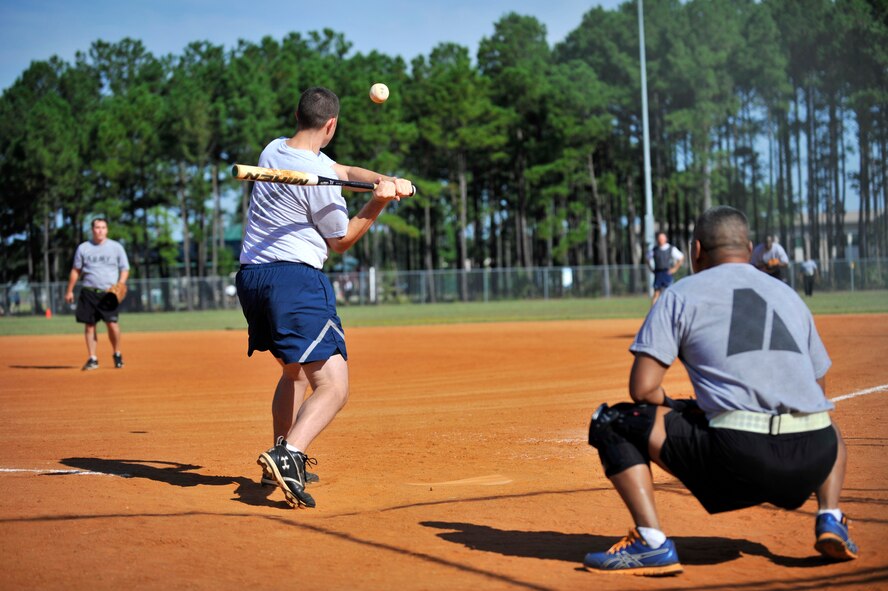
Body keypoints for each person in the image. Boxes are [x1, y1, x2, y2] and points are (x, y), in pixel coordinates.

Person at [583, 206, 857, 576]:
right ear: (749, 248)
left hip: (740, 459)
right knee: (823, 417)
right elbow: (816, 388)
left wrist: (680, 405)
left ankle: (650, 542)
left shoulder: (681, 294)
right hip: (813, 458)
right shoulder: (789, 295)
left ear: (696, 251)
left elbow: (643, 389)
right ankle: (831, 516)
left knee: (611, 421)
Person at [236, 86, 414, 509]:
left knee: (293, 372)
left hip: (253, 279)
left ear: (299, 115)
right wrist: (377, 204)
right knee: (334, 385)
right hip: (294, 281)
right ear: (331, 125)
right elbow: (341, 240)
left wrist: (380, 179)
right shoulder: (320, 187)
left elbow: (343, 170)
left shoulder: (274, 149)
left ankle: (280, 453)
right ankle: (289, 453)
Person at [64, 218, 130, 371]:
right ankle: (92, 358)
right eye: (97, 227)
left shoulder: (116, 247)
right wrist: (69, 290)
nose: (100, 230)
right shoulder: (84, 248)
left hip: (109, 294)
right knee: (89, 326)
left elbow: (125, 268)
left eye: (103, 227)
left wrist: (120, 284)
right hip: (89, 292)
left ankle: (117, 353)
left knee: (112, 325)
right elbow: (76, 270)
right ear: (92, 230)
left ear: (107, 230)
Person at [647, 232, 684, 305]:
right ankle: (653, 311)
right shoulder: (654, 249)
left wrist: (675, 268)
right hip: (658, 273)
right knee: (656, 293)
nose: (660, 240)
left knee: (669, 292)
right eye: (659, 238)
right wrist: (651, 268)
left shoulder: (671, 248)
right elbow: (647, 258)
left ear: (665, 239)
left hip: (667, 272)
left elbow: (681, 257)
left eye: (662, 238)